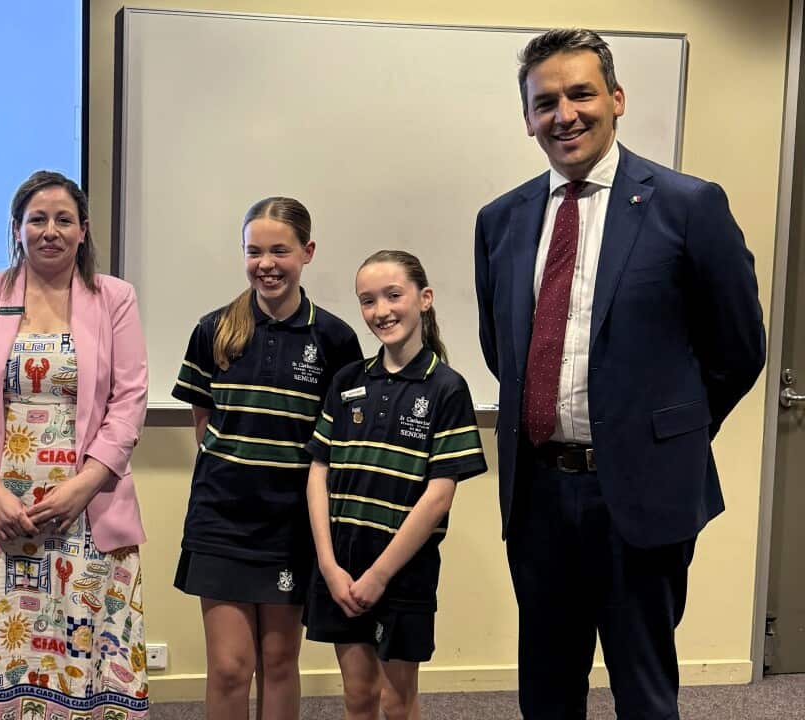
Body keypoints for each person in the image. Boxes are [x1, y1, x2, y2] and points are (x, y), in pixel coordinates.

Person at [474, 28, 766, 718]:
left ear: (617, 98)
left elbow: (738, 348)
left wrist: (664, 432)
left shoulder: (688, 206)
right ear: (527, 118)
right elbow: (502, 349)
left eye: (581, 94)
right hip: (538, 494)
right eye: (545, 102)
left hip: (642, 492)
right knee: (546, 690)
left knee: (643, 691)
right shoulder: (501, 220)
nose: (564, 114)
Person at [0, 170, 150, 719]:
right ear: (17, 228)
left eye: (63, 219)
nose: (50, 231)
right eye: (37, 219)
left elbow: (129, 402)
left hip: (85, 510)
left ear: (83, 230)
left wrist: (82, 488)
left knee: (82, 657)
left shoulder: (115, 298)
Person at [171, 196, 362, 719]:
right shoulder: (213, 329)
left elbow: (338, 439)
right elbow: (204, 420)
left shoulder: (336, 339)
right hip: (220, 522)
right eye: (254, 252)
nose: (266, 264)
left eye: (280, 251)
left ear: (307, 252)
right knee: (230, 667)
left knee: (278, 662)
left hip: (291, 526)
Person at [303, 250, 485, 720]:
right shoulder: (347, 381)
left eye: (393, 295)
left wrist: (380, 575)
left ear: (424, 299)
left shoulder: (446, 387)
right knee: (358, 695)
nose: (380, 310)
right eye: (367, 300)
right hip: (343, 568)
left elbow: (439, 495)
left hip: (403, 573)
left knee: (396, 701)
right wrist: (328, 564)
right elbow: (319, 471)